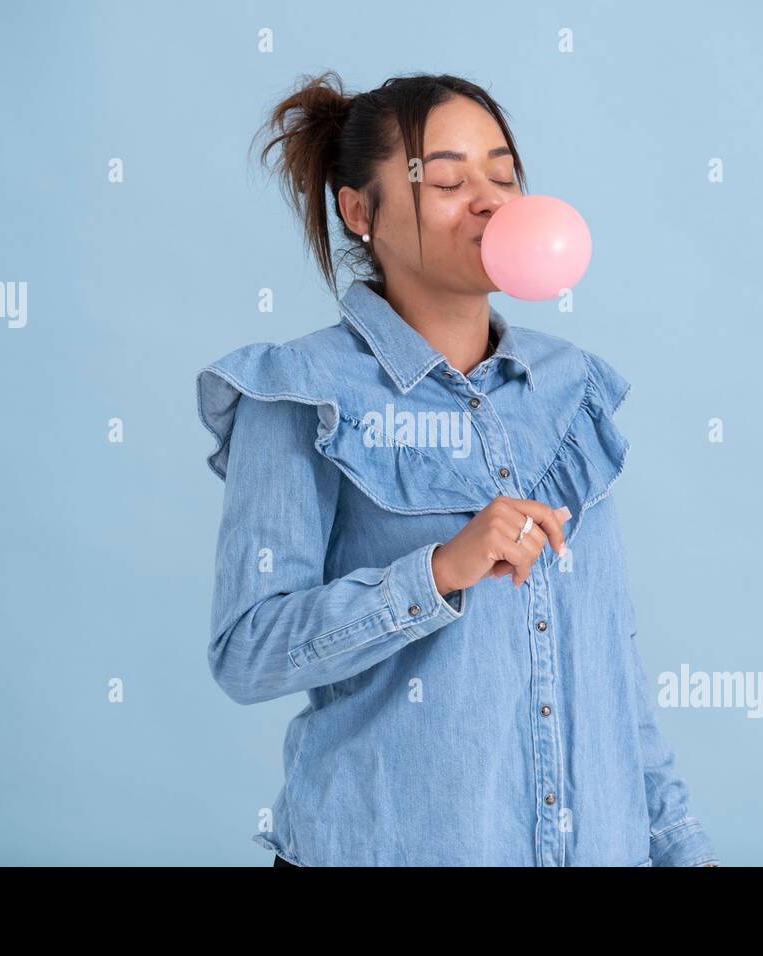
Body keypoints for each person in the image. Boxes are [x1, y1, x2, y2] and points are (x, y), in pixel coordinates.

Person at [197, 71, 720, 867]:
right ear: (359, 211)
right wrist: (440, 570)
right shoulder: (299, 392)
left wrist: (681, 846)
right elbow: (249, 652)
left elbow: (610, 660)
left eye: (503, 174)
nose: (488, 199)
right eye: (446, 179)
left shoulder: (570, 388)